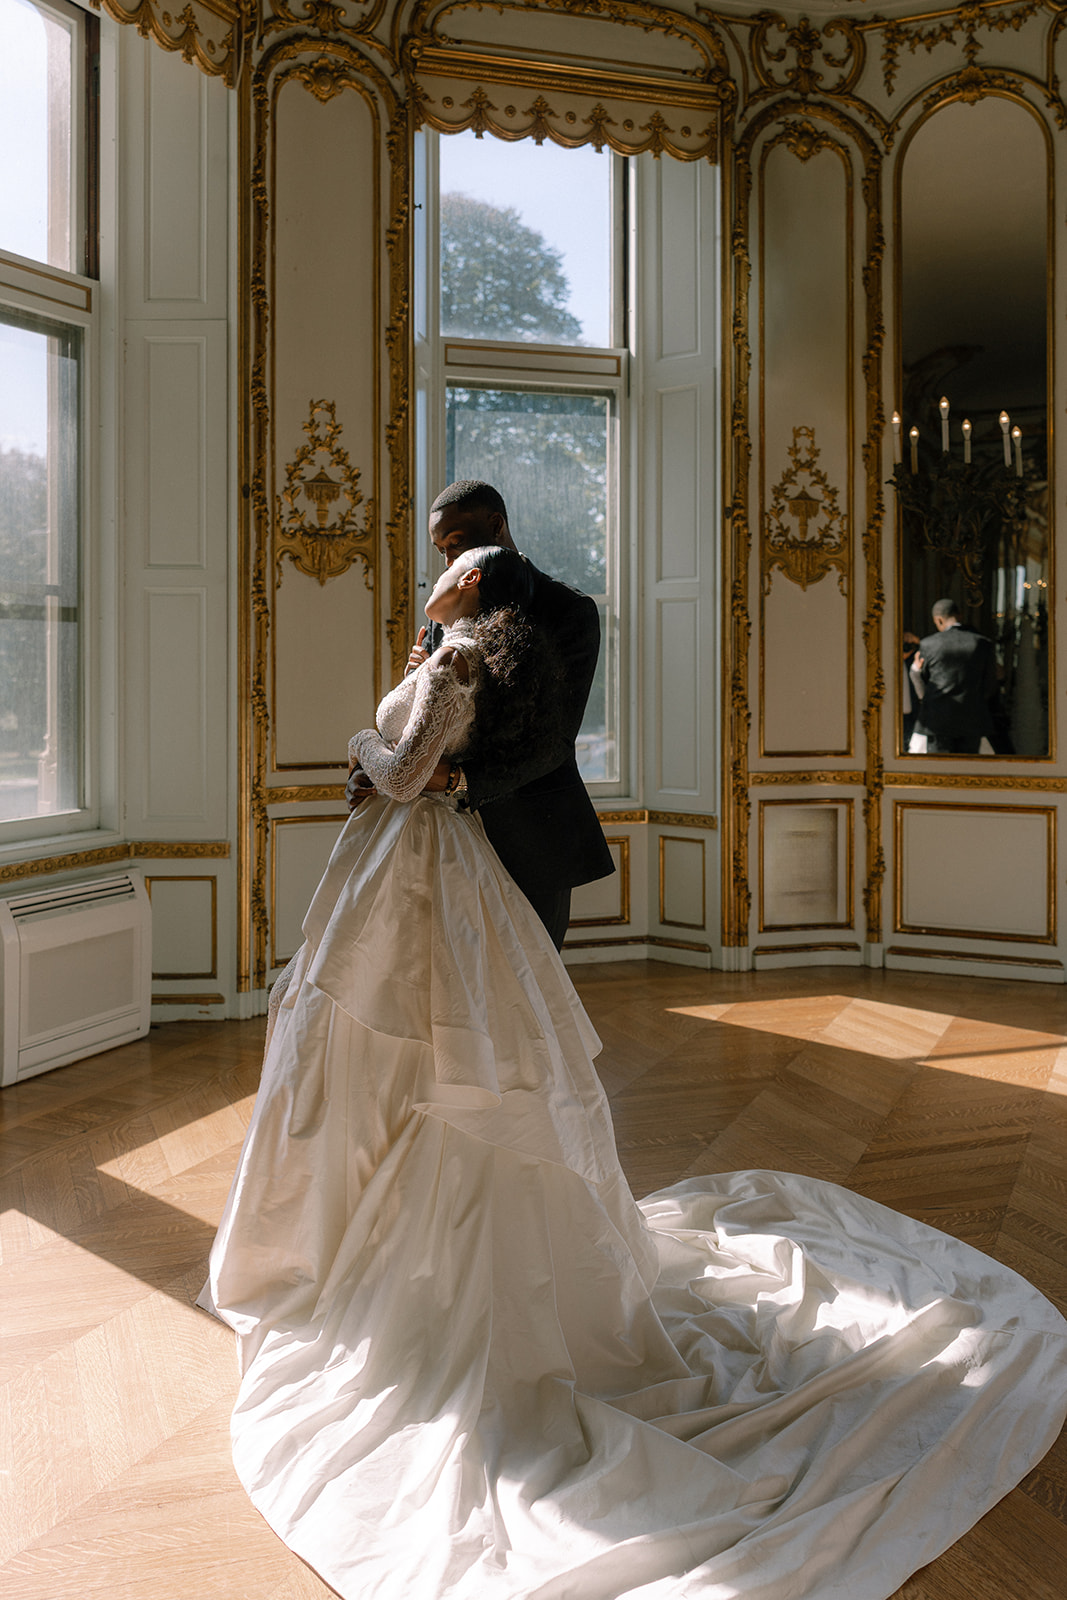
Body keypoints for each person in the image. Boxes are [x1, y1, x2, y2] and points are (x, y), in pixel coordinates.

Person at [202, 544, 1067, 1600]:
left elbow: (403, 773)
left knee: (417, 1056)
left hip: (412, 866)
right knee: (434, 1054)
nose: (433, 575)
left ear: (470, 584)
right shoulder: (468, 654)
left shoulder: (451, 662)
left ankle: (383, 1254)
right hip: (422, 870)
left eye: (448, 565)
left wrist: (353, 739)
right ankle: (387, 1232)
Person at [347, 479, 613, 949]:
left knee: (528, 999)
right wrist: (379, 768)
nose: (448, 562)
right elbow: (428, 721)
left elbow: (553, 742)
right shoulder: (442, 615)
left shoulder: (567, 610)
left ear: (496, 525)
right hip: (438, 837)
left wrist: (455, 779)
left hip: (531, 833)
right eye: (440, 550)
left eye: (457, 544)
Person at [909, 597, 997, 754]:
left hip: (936, 721)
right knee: (968, 771)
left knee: (940, 772)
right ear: (960, 616)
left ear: (939, 620)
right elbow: (990, 685)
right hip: (972, 720)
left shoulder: (929, 644)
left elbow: (923, 690)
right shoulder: (983, 643)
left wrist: (914, 670)